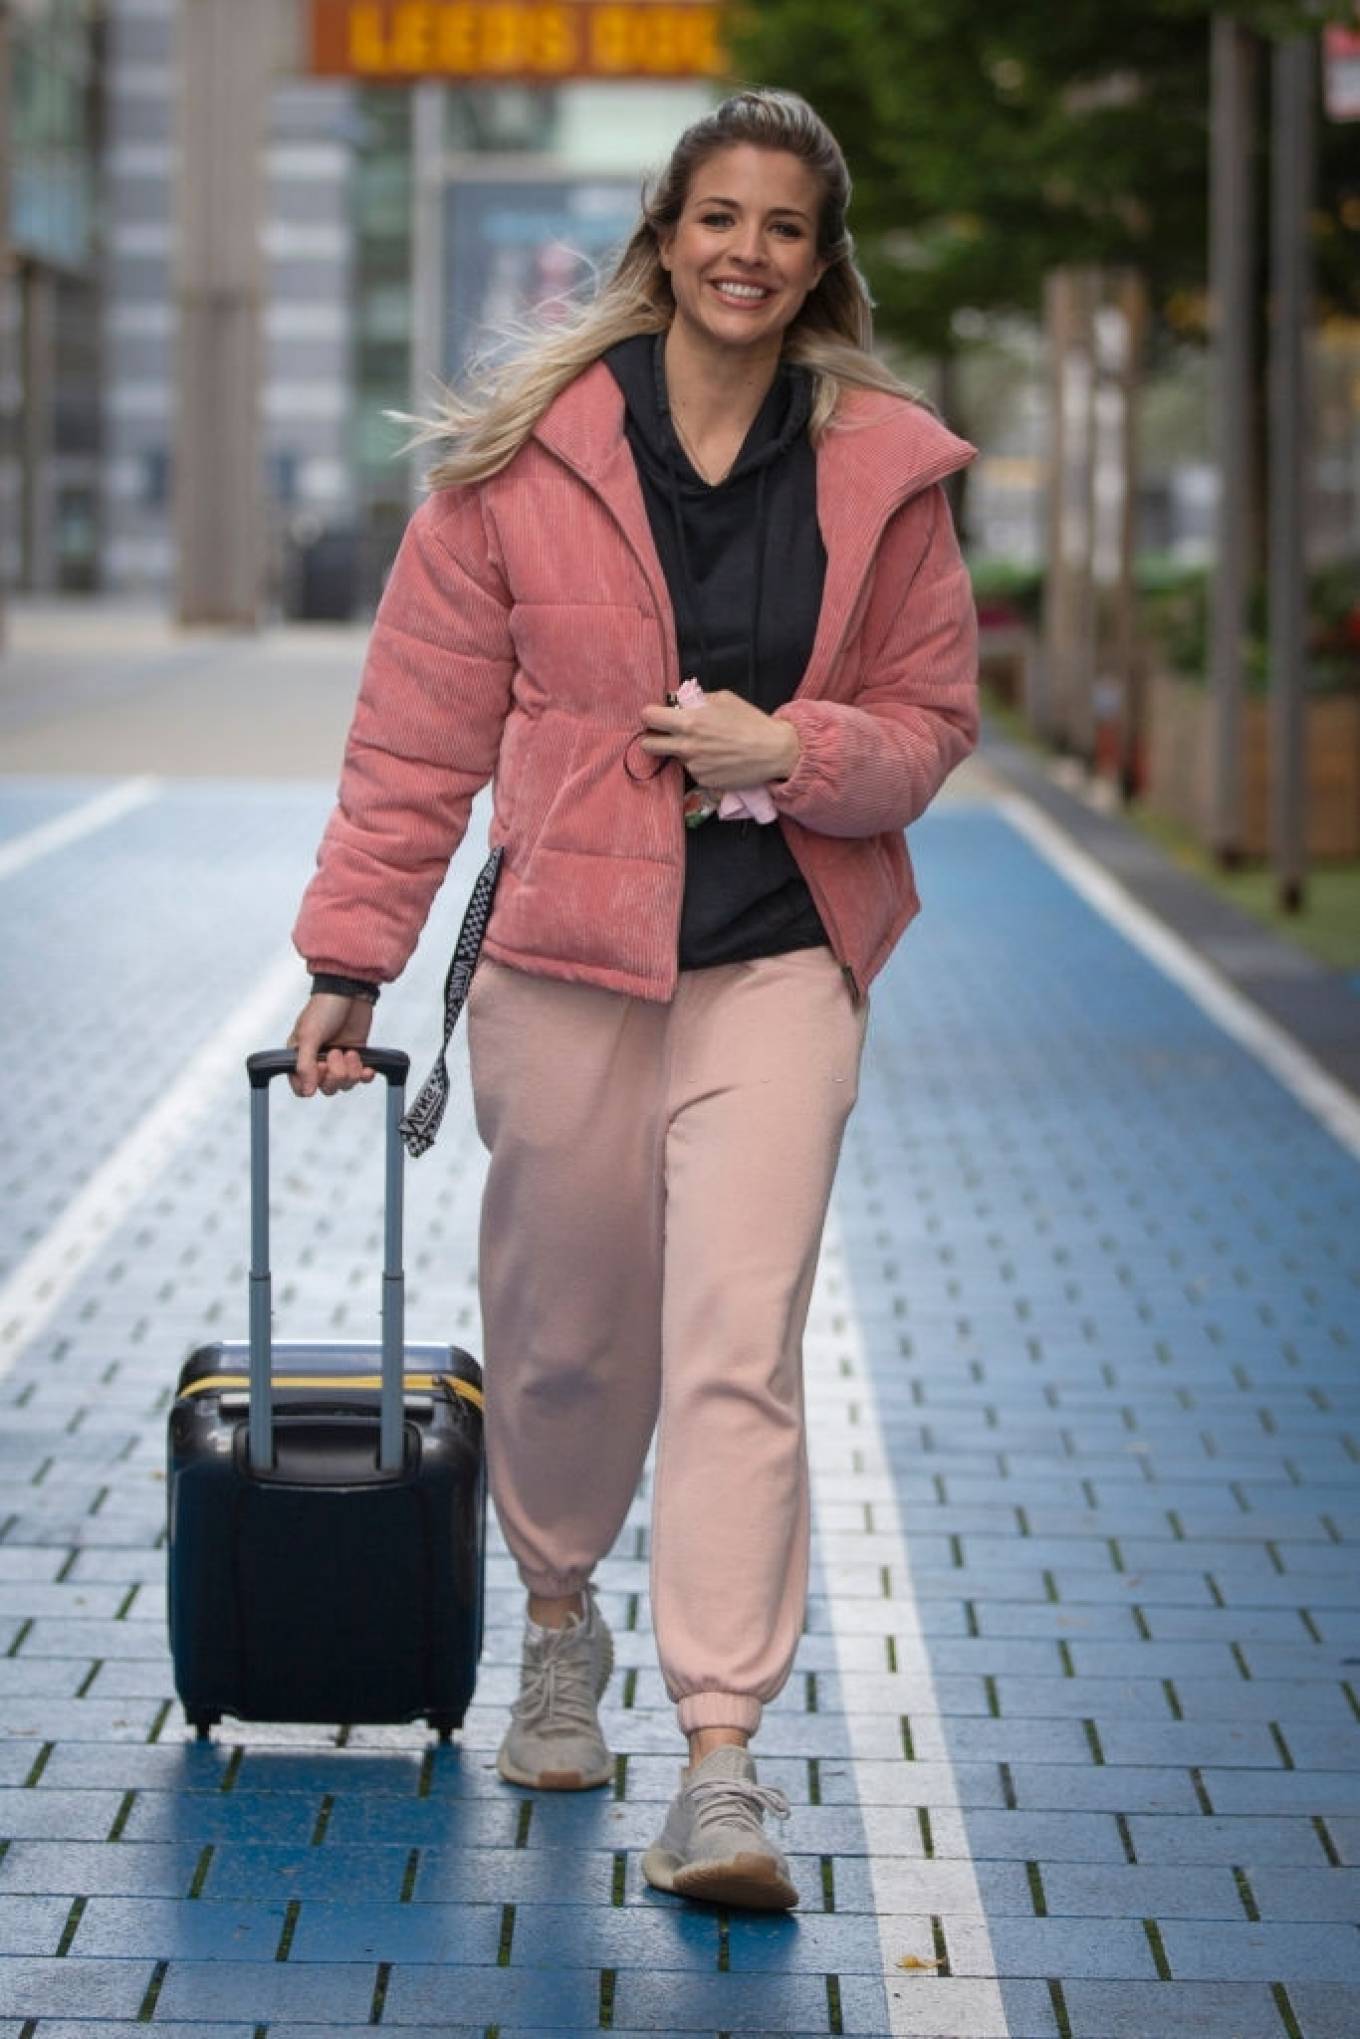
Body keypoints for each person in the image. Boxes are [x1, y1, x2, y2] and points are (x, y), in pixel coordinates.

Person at [286, 86, 979, 1912]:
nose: (747, 252)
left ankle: (725, 1766)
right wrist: (349, 962)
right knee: (575, 1337)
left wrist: (796, 745)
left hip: (781, 963)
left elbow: (928, 725)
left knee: (738, 1350)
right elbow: (416, 734)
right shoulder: (528, 458)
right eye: (717, 218)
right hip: (567, 973)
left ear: (822, 261)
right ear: (664, 236)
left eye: (784, 227)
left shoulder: (887, 466)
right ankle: (559, 1620)